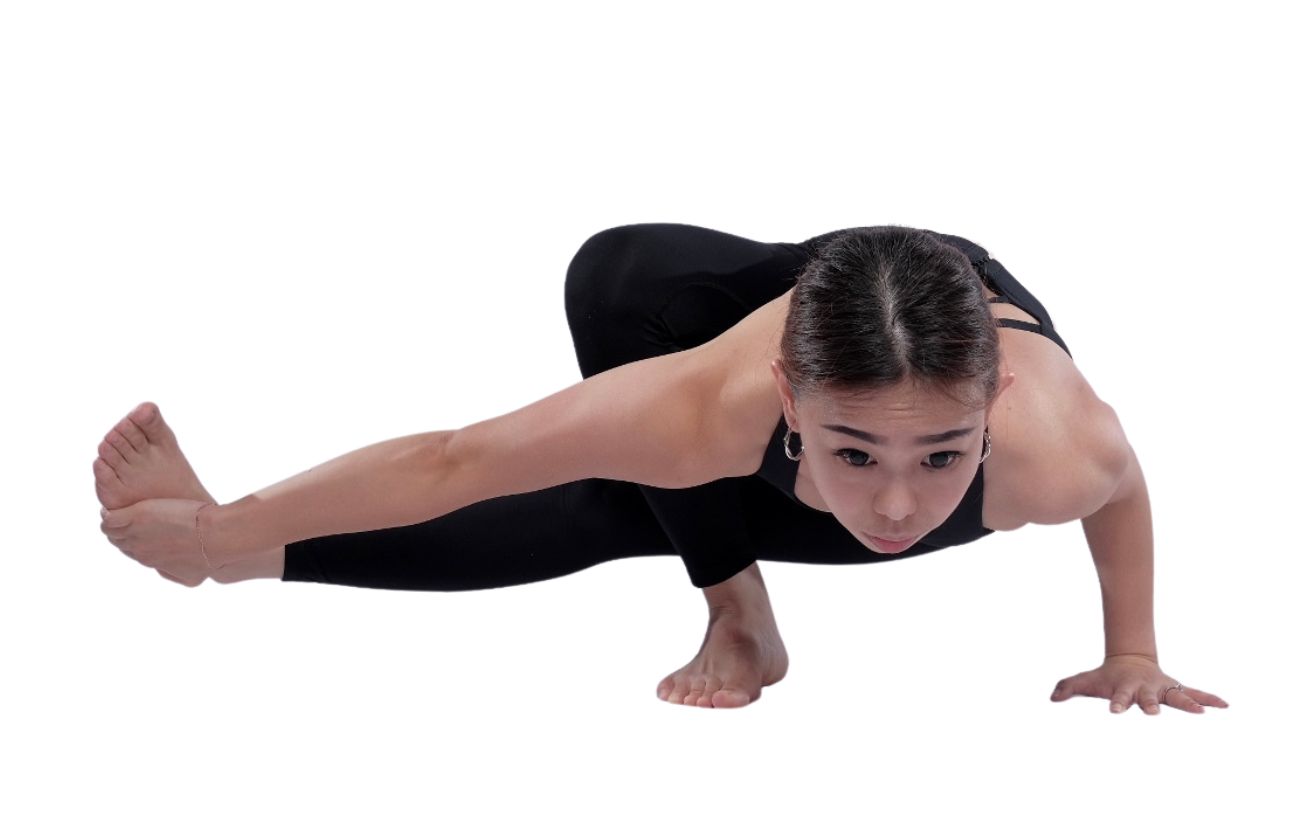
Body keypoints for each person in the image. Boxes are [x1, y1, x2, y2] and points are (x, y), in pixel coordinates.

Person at [93, 223, 1228, 716]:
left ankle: (238, 551)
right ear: (790, 402)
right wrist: (226, 523)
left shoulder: (1061, 447)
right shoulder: (713, 405)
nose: (893, 503)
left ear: (997, 406)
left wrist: (1131, 648)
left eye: (940, 455)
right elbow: (457, 460)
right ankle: (738, 608)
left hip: (898, 340)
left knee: (627, 497)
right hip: (740, 310)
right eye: (851, 452)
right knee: (610, 312)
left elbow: (1121, 489)